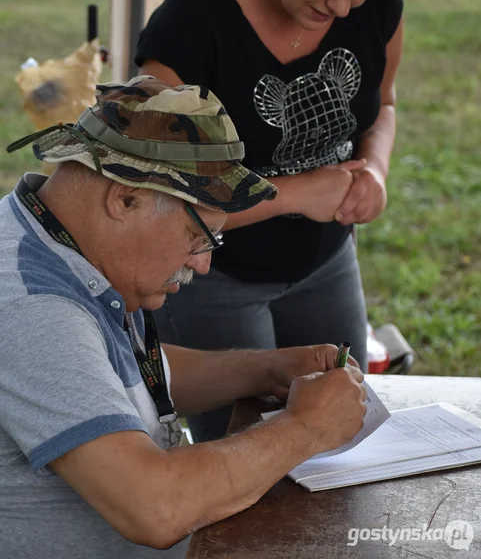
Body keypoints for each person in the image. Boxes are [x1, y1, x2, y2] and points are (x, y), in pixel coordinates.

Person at [0, 77, 367, 559]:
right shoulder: (34, 307)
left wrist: (268, 369)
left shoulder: (53, 238)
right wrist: (305, 429)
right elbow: (155, 507)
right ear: (123, 199)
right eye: (201, 237)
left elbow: (114, 379)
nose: (202, 263)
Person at [135, 0, 413, 442]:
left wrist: (375, 169)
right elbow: (157, 204)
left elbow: (382, 105)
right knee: (244, 457)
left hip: (325, 262)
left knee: (344, 438)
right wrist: (294, 193)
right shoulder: (190, 31)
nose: (343, 7)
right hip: (215, 281)